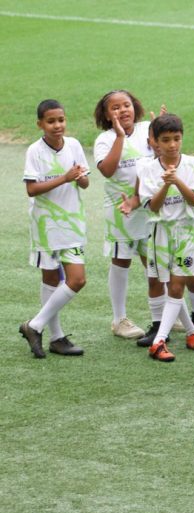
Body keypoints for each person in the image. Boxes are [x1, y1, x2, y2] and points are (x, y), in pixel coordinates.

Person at [136, 114, 194, 361]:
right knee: (169, 285)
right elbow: (153, 207)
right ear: (156, 142)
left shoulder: (192, 164)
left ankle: (158, 341)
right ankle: (192, 333)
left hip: (187, 230)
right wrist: (166, 185)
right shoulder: (147, 169)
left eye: (176, 139)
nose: (172, 145)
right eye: (166, 140)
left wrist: (176, 180)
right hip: (160, 232)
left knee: (178, 285)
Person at [19, 99, 90, 358]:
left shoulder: (74, 145)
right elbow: (31, 189)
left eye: (61, 120)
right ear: (40, 124)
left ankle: (34, 325)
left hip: (72, 224)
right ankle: (56, 338)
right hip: (46, 226)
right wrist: (64, 178)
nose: (57, 125)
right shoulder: (34, 151)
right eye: (51, 121)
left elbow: (85, 183)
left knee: (77, 279)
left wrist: (80, 178)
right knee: (50, 279)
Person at [94, 89, 162, 339]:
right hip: (120, 212)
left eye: (126, 105)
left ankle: (163, 314)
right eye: (115, 107)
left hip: (148, 208)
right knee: (121, 261)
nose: (123, 110)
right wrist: (120, 137)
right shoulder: (105, 139)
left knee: (153, 261)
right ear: (106, 115)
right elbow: (107, 170)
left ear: (135, 107)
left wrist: (160, 135)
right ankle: (119, 319)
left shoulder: (147, 129)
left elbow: (163, 157)